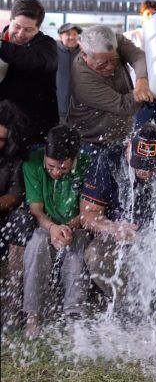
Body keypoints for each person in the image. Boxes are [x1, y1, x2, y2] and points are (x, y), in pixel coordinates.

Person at [80, 123, 156, 304]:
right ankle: (128, 303)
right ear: (128, 148)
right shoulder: (108, 159)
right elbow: (88, 215)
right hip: (118, 233)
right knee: (95, 255)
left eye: (151, 167)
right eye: (139, 164)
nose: (144, 171)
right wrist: (112, 227)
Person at [20, 125, 91, 338]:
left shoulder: (88, 164)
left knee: (77, 246)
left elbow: (88, 209)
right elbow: (36, 209)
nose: (56, 172)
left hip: (76, 225)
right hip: (46, 225)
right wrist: (53, 228)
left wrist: (69, 227)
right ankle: (33, 315)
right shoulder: (32, 163)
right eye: (51, 167)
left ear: (75, 157)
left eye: (63, 168)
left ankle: (73, 316)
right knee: (36, 244)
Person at [68, 25, 153, 157]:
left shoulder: (115, 40)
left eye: (114, 60)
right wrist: (146, 90)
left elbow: (139, 57)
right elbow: (125, 106)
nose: (110, 67)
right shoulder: (82, 80)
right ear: (84, 55)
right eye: (102, 64)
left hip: (120, 138)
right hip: (91, 143)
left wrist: (142, 79)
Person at [0, 0, 58, 145]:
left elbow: (33, 60)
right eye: (17, 26)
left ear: (38, 28)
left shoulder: (46, 46)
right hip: (3, 130)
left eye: (28, 30)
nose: (20, 34)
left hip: (36, 131)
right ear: (10, 20)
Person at [0, 101, 28, 330]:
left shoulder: (14, 160)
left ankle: (11, 306)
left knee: (20, 221)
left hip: (4, 216)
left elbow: (15, 195)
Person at [123, 0, 156, 129]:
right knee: (137, 131)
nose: (151, 16)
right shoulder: (131, 36)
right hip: (138, 94)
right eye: (148, 13)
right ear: (142, 16)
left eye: (154, 13)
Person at [56, 23, 82, 123]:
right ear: (60, 36)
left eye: (74, 34)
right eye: (67, 34)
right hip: (57, 106)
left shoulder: (84, 53)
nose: (71, 37)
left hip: (79, 108)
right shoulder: (53, 51)